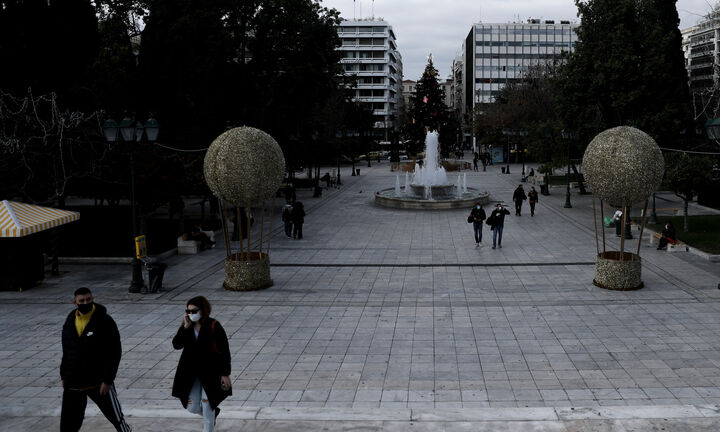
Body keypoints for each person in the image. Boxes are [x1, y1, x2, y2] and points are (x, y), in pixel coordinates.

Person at [60, 287, 131, 432]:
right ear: (75, 303)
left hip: (97, 381)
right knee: (68, 422)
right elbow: (66, 351)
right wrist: (64, 375)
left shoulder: (105, 321)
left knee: (116, 418)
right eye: (82, 301)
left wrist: (108, 379)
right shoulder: (70, 321)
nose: (85, 303)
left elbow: (114, 352)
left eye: (88, 299)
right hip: (73, 381)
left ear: (93, 299)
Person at [172, 296, 231, 432]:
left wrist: (225, 374)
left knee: (206, 403)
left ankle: (208, 427)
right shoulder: (187, 326)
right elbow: (176, 345)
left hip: (210, 373)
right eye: (188, 311)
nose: (191, 314)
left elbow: (224, 351)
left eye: (194, 311)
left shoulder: (214, 325)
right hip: (191, 373)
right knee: (192, 407)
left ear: (203, 310)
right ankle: (213, 413)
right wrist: (185, 328)